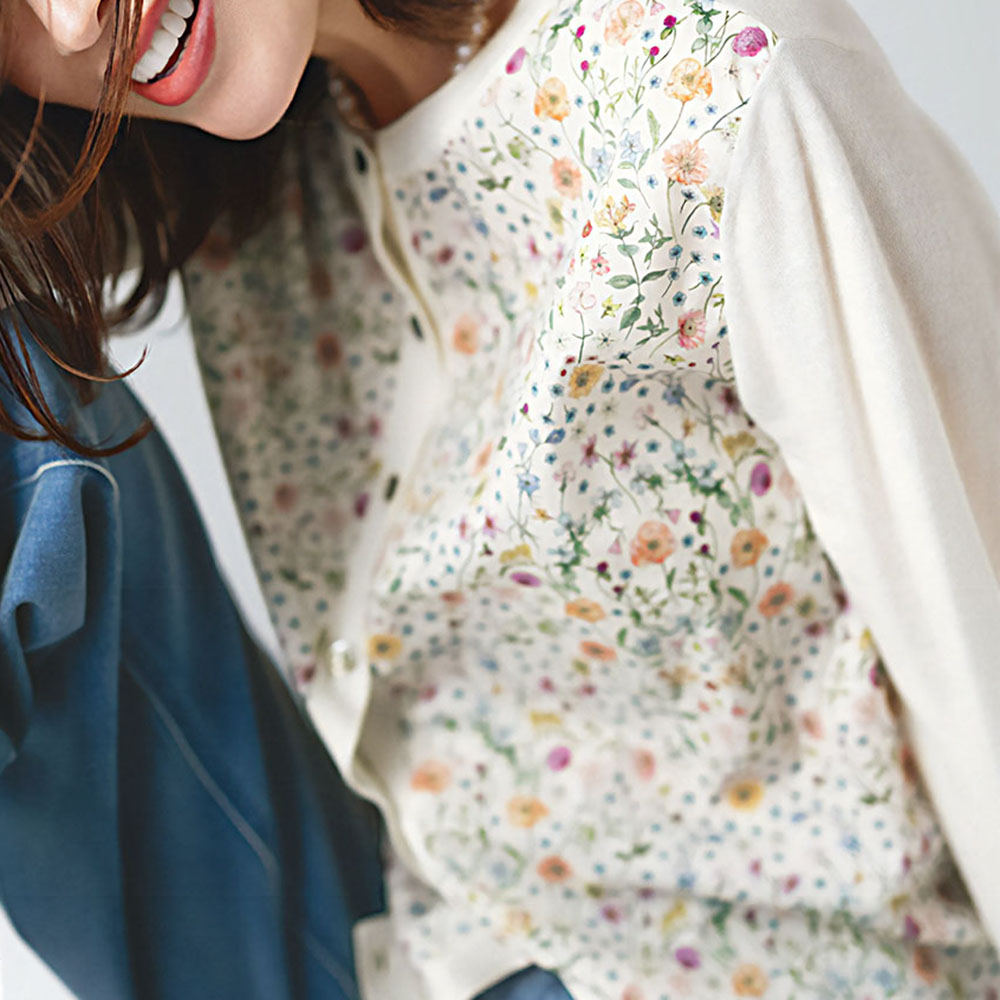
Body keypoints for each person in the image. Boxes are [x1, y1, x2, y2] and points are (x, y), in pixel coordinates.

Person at [1, 0, 999, 999]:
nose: (77, 23)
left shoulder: (725, 89)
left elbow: (972, 641)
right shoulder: (266, 133)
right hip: (418, 941)